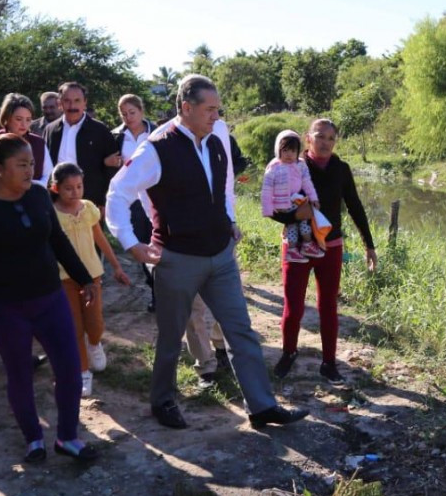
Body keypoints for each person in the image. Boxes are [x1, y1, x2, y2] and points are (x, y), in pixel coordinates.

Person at [106, 74, 307, 430]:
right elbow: (117, 194)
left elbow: (224, 187)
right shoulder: (156, 148)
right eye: (209, 109)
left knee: (241, 330)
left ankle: (261, 406)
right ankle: (163, 400)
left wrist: (228, 220)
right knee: (170, 336)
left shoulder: (216, 141)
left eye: (218, 109)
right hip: (177, 259)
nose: (216, 115)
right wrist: (131, 243)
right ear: (186, 108)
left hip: (220, 255)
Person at [0, 133, 99, 463]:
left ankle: (67, 437)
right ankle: (33, 439)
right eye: (21, 165)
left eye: (32, 164)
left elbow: (57, 240)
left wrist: (83, 278)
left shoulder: (37, 194)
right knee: (19, 374)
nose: (29, 170)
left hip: (50, 300)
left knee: (68, 370)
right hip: (6, 309)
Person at [270, 118, 376, 384]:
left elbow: (355, 206)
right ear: (308, 138)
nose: (325, 142)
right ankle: (288, 353)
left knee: (328, 306)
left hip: (331, 245)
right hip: (297, 246)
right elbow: (273, 207)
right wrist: (295, 216)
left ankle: (329, 363)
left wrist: (369, 245)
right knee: (293, 306)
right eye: (320, 136)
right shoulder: (291, 166)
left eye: (331, 138)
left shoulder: (341, 169)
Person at [50, 162, 130, 397]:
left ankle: (94, 344)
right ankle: (82, 372)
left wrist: (116, 266)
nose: (75, 192)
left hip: (92, 275)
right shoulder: (51, 213)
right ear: (56, 188)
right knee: (73, 327)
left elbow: (101, 239)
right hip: (64, 278)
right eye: (68, 188)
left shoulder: (88, 209)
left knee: (94, 323)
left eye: (79, 186)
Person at [43, 82, 120, 210]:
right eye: (67, 101)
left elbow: (112, 169)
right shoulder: (50, 130)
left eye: (77, 100)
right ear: (60, 103)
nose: (72, 106)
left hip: (91, 202)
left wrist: (103, 200)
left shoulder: (100, 131)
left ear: (85, 102)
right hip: (56, 204)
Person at [111, 94, 155, 303]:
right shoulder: (117, 137)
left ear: (141, 111)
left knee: (159, 239)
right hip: (132, 199)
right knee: (140, 243)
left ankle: (162, 291)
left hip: (155, 195)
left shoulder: (156, 133)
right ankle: (153, 286)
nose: (128, 118)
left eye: (132, 112)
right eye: (124, 114)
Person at [261, 130, 323, 264]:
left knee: (297, 224)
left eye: (293, 151)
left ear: (297, 152)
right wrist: (268, 209)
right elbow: (267, 190)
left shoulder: (300, 165)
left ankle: (296, 248)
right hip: (282, 204)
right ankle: (302, 246)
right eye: (285, 150)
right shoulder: (274, 167)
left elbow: (307, 183)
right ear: (278, 151)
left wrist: (314, 198)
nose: (289, 155)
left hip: (296, 200)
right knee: (297, 222)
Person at [0, 93, 53, 187]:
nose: (24, 124)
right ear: (7, 117)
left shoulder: (38, 143)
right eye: (19, 119)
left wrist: (31, 186)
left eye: (28, 120)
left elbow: (48, 175)